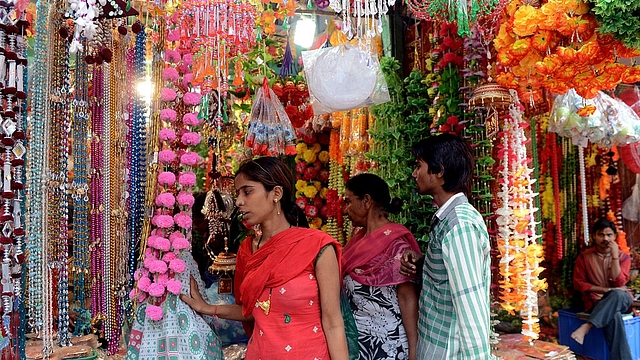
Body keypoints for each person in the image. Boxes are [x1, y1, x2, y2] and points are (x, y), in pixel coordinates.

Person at [181, 156, 349, 360]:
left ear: (276, 193)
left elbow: (333, 323)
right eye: (237, 193)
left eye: (247, 191)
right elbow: (252, 311)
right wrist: (207, 309)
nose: (239, 201)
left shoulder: (318, 247)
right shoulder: (247, 250)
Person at [399, 133, 491, 359]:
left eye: (419, 166)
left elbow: (470, 305)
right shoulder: (447, 220)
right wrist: (426, 265)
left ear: (439, 171)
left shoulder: (459, 226)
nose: (414, 173)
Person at [342, 173, 421, 360]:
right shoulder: (356, 242)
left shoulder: (398, 245)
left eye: (349, 201)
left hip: (389, 346)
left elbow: (408, 300)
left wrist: (413, 354)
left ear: (366, 201)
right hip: (356, 346)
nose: (346, 210)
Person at [571, 218, 633, 360]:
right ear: (594, 236)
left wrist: (615, 256)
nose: (605, 239)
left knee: (617, 294)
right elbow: (579, 284)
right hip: (596, 301)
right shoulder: (584, 257)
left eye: (609, 235)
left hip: (621, 298)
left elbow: (619, 282)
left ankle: (587, 327)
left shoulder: (624, 257)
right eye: (601, 235)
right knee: (614, 316)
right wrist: (605, 291)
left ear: (615, 237)